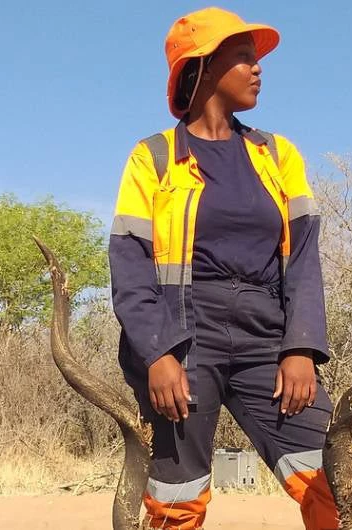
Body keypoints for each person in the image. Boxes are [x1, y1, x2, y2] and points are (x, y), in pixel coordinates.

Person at [108, 7, 339, 530]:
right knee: (176, 501)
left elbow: (303, 257)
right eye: (243, 58)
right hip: (184, 339)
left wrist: (300, 347)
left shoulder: (278, 155)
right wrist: (158, 355)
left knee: (334, 480)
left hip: (268, 336)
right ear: (204, 67)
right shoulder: (154, 158)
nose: (258, 70)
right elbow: (129, 265)